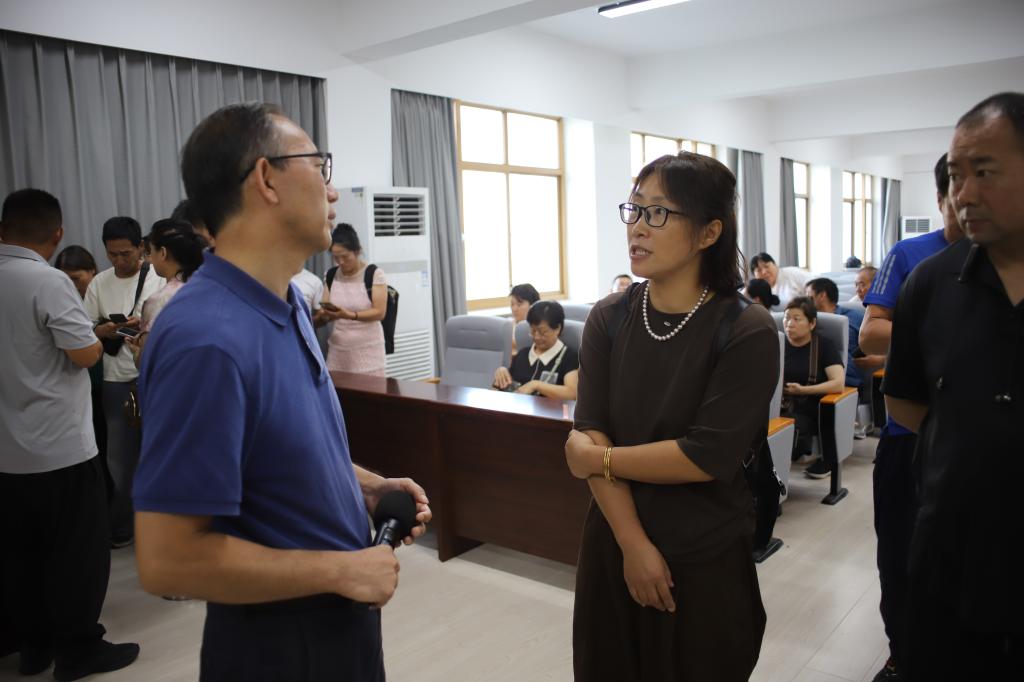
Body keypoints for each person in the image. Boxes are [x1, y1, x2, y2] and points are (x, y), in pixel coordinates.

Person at [132, 102, 431, 682]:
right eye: (320, 167)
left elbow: (282, 444)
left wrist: (363, 485)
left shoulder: (287, 299)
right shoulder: (206, 338)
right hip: (280, 645)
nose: (333, 190)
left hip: (339, 626)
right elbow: (169, 559)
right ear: (266, 179)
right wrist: (339, 571)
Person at [564, 152, 778, 681]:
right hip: (613, 539)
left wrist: (600, 459)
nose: (637, 227)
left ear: (709, 232)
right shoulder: (608, 316)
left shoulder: (746, 329)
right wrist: (633, 544)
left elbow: (704, 456)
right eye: (634, 209)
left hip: (701, 548)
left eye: (658, 213)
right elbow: (591, 427)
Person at [883, 92, 1024, 681]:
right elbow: (904, 400)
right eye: (956, 176)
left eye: (984, 173)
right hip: (951, 554)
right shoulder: (930, 282)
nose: (963, 195)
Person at [0, 189, 140, 681]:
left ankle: (33, 646)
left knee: (20, 554)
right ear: (57, 233)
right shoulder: (49, 281)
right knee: (77, 553)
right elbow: (83, 354)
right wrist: (95, 340)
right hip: (58, 446)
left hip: (7, 450)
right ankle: (78, 650)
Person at [859, 152, 964, 682]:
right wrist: (951, 330)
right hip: (910, 436)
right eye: (958, 188)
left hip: (983, 443)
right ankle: (902, 652)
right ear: (942, 197)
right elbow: (871, 334)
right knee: (900, 555)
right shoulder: (914, 257)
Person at [83, 216, 165, 547]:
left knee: (158, 451)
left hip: (154, 376)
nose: (119, 261)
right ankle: (123, 523)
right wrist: (103, 330)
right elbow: (85, 328)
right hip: (115, 379)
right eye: (112, 254)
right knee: (118, 457)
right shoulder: (99, 283)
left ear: (141, 248)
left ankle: (158, 525)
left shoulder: (159, 278)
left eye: (126, 254)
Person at [127, 218, 207, 367]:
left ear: (163, 253)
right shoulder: (210, 285)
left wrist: (136, 352)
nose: (149, 259)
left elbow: (147, 362)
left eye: (150, 251)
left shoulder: (158, 301)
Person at [780, 296, 845, 479]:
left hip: (809, 410)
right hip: (779, 405)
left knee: (785, 428)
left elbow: (838, 383)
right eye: (786, 317)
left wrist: (803, 390)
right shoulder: (777, 343)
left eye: (797, 319)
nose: (789, 324)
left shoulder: (824, 346)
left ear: (812, 323)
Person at [320, 223, 388, 376]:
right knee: (338, 389)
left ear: (357, 251)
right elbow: (325, 306)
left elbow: (380, 312)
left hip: (368, 350)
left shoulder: (374, 274)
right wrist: (325, 315)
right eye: (336, 257)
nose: (340, 262)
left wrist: (350, 315)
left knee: (369, 389)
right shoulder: (331, 275)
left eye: (345, 257)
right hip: (338, 350)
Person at [492, 300, 579, 400]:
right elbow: (502, 389)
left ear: (557, 329)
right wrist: (502, 373)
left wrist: (536, 385)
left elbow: (572, 393)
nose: (536, 337)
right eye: (533, 331)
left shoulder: (569, 357)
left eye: (542, 332)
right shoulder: (523, 354)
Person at [508, 282, 540, 354]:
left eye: (519, 305)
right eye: (512, 304)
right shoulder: (508, 324)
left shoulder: (538, 326)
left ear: (532, 305)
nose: (514, 309)